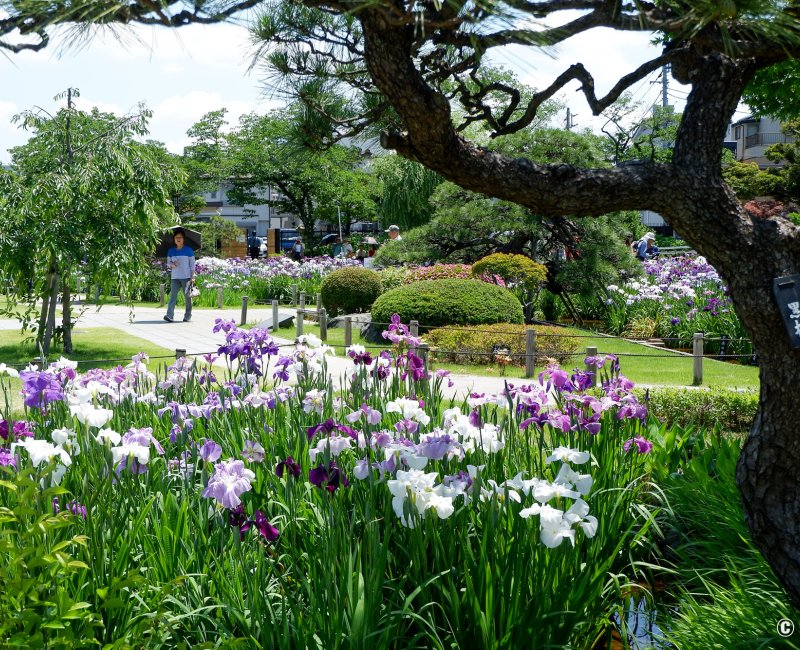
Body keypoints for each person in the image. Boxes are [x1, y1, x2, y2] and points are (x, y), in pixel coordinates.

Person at [163, 228, 195, 323]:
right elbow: (168, 264)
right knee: (172, 297)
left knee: (188, 298)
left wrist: (192, 277)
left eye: (180, 237)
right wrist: (173, 265)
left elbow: (192, 265)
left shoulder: (189, 250)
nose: (178, 239)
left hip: (186, 277)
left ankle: (187, 316)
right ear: (174, 239)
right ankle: (169, 316)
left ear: (183, 239)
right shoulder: (171, 251)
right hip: (175, 278)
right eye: (176, 237)